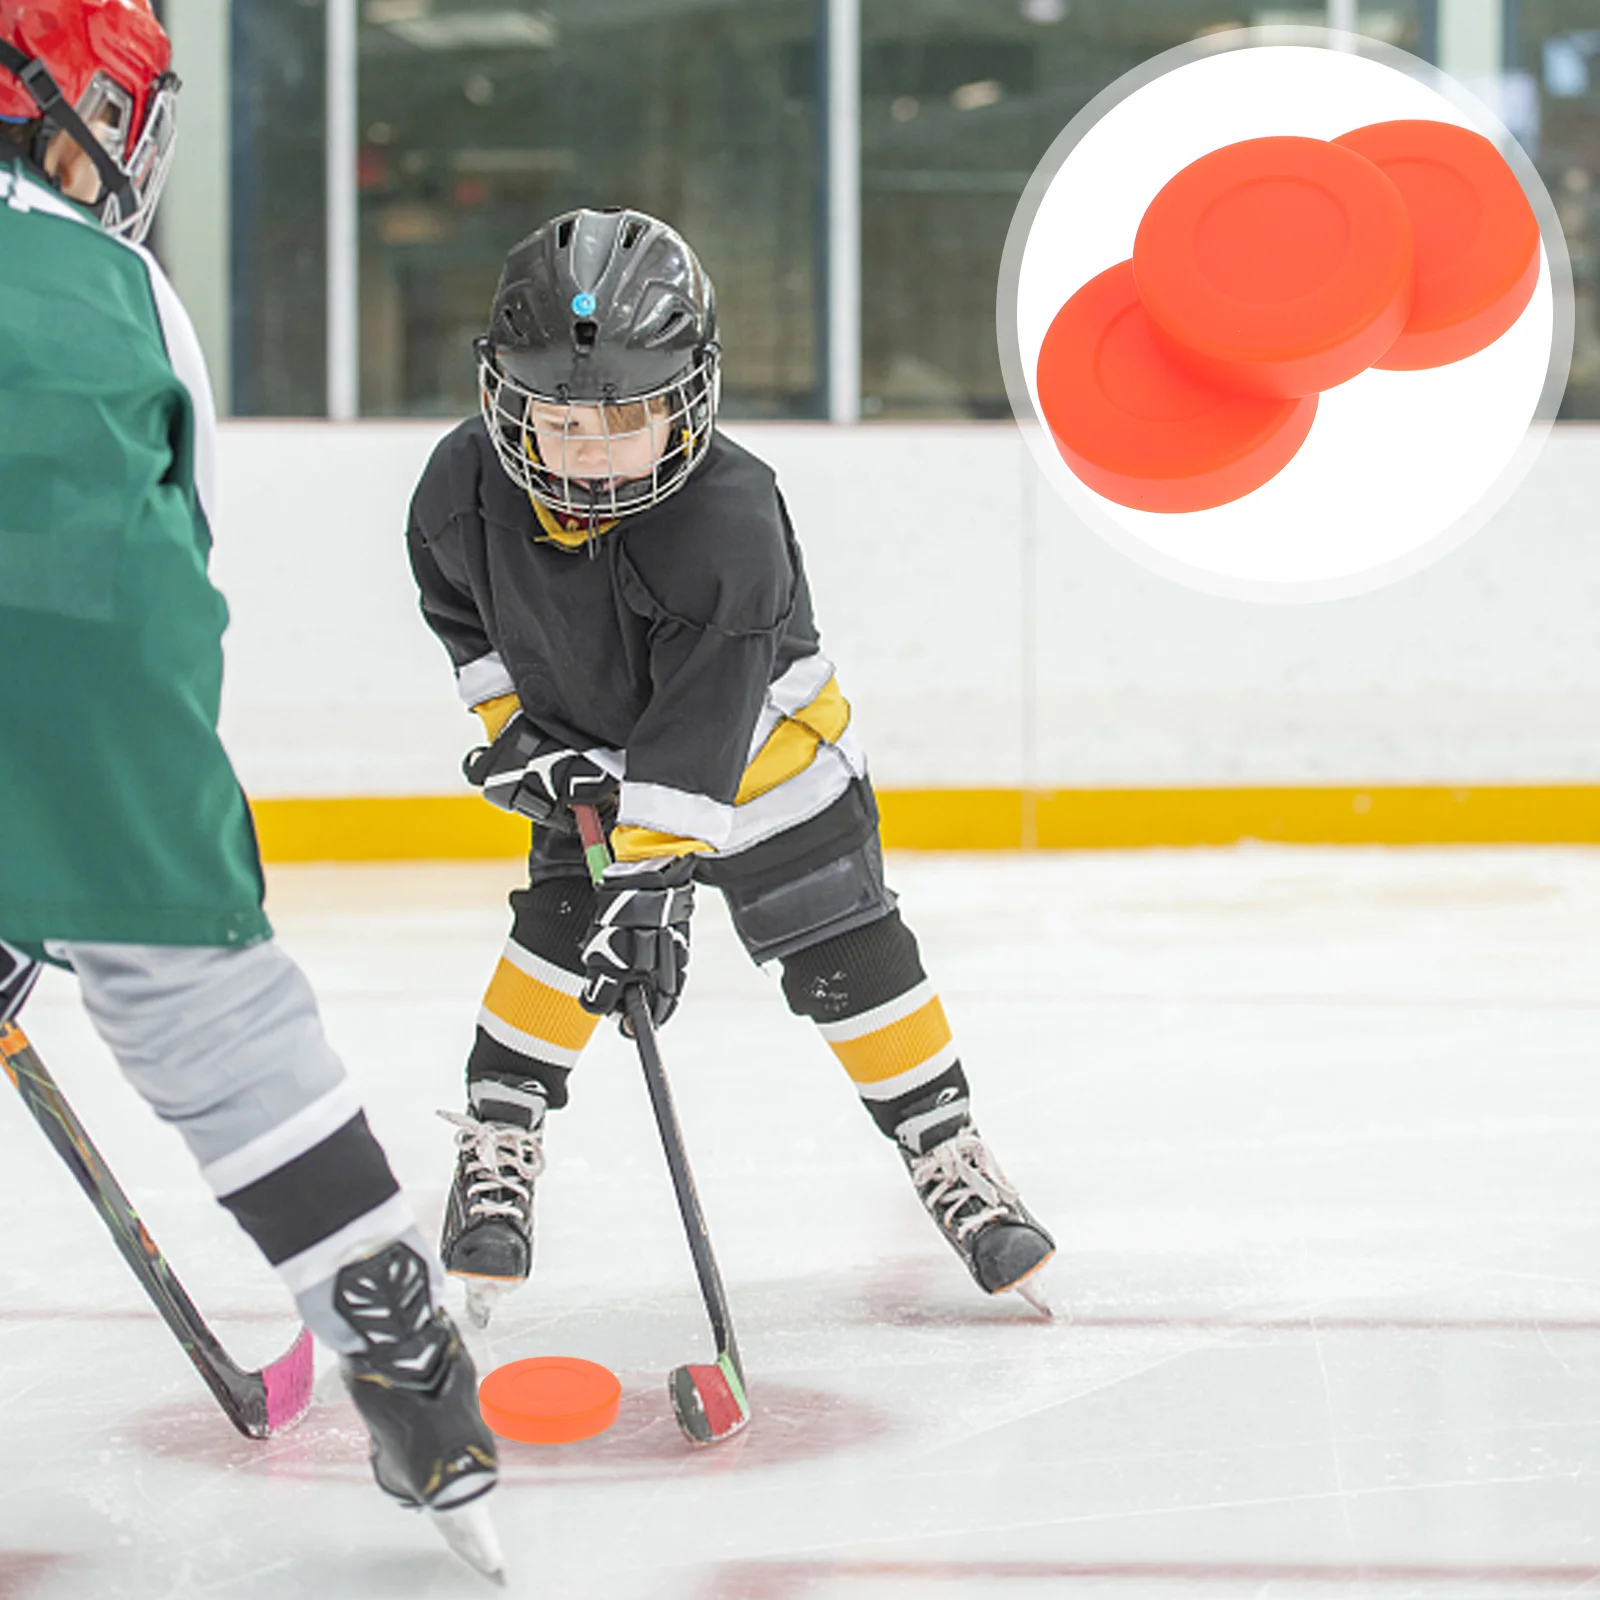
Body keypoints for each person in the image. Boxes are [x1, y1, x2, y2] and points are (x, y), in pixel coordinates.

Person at [0, 0, 499, 1570]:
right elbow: (162, 603)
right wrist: (106, 877)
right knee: (207, 1001)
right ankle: (400, 1343)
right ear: (70, 105)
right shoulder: (118, 287)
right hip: (90, 674)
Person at [407, 206, 1056, 1328]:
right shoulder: (459, 490)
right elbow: (464, 618)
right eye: (561, 425)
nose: (591, 458)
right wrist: (524, 736)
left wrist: (653, 887)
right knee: (556, 935)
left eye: (628, 424)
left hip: (763, 763)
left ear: (689, 400)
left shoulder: (728, 518)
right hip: (601, 766)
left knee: (850, 955)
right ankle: (498, 1135)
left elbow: (702, 727)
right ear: (506, 399)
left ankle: (945, 1148)